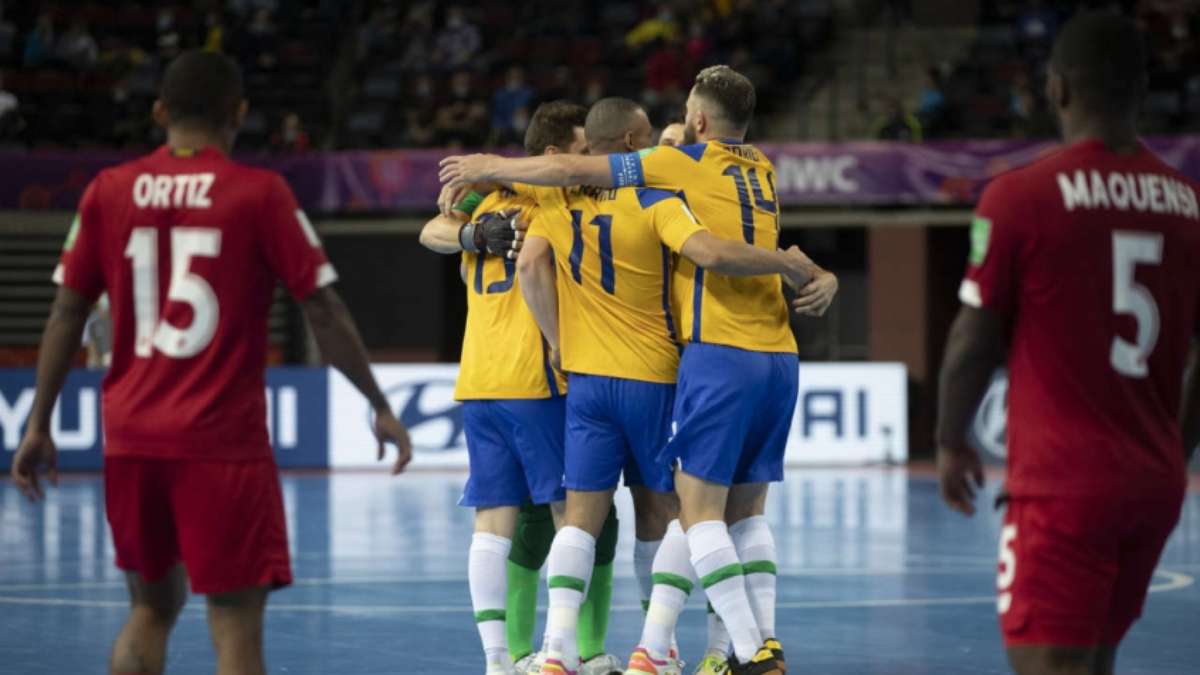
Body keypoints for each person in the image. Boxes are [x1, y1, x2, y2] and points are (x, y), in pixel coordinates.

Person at [9, 50, 413, 675]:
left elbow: (66, 313)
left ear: (159, 111)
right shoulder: (259, 193)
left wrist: (38, 426)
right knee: (235, 631)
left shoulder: (107, 191)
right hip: (222, 442)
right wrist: (379, 404)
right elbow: (325, 313)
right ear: (239, 113)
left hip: (132, 439)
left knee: (149, 612)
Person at [438, 65, 839, 675]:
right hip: (699, 364)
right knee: (700, 512)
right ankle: (687, 646)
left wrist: (479, 180)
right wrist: (801, 268)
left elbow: (523, 231)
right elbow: (709, 239)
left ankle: (555, 653)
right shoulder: (742, 172)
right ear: (631, 142)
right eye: (652, 134)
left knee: (581, 517)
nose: (660, 142)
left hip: (597, 379)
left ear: (697, 122)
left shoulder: (561, 199)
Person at [935, 12, 1200, 675]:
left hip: (1063, 486)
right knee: (1097, 659)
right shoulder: (1190, 203)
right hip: (1155, 486)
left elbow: (973, 338)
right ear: (1141, 91)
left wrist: (950, 439)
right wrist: (1174, 447)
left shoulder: (1019, 197)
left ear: (1055, 89)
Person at [421, 101, 621, 675]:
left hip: (479, 380)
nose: (588, 164)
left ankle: (498, 662)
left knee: (493, 523)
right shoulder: (553, 199)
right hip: (535, 380)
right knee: (576, 516)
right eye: (583, 153)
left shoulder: (490, 200)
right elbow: (519, 262)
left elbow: (431, 231)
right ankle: (567, 652)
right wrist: (560, 344)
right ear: (555, 156)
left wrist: (469, 226)